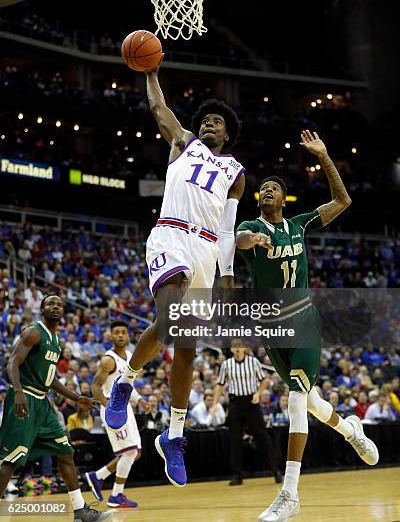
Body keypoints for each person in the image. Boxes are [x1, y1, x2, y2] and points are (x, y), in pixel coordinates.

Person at [105, 61, 245, 488]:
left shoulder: (235, 173)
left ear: (227, 135)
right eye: (205, 120)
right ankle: (126, 383)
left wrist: (227, 275)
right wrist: (151, 70)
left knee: (186, 347)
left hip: (206, 249)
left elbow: (227, 229)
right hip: (171, 235)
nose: (208, 125)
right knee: (168, 318)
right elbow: (157, 106)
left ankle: (175, 435)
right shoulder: (182, 143)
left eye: (216, 122)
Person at [236, 130, 379, 522]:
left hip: (303, 319)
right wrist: (253, 240)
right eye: (262, 189)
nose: (266, 192)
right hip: (271, 328)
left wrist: (326, 156)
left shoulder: (299, 224)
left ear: (283, 198)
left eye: (273, 189)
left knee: (297, 398)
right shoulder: (252, 225)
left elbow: (343, 201)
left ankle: (290, 493)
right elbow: (241, 240)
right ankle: (350, 430)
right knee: (313, 403)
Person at [0, 294, 111, 522]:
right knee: (12, 461)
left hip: (43, 404)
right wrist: (18, 391)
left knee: (66, 452)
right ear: (42, 309)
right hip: (25, 399)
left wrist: (75, 397)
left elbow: (50, 379)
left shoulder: (56, 341)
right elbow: (12, 362)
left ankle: (80, 512)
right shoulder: (33, 332)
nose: (55, 307)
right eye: (50, 303)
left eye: (59, 304)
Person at [87, 320, 147, 508]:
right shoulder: (108, 360)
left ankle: (99, 476)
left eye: (123, 332)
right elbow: (95, 387)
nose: (120, 335)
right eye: (117, 332)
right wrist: (108, 406)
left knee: (135, 452)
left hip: (125, 407)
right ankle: (115, 495)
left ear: (128, 336)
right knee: (130, 452)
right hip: (113, 408)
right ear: (110, 336)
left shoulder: (130, 356)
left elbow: (128, 384)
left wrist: (139, 400)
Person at [212, 344, 281, 486]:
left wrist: (258, 393)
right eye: (234, 346)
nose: (237, 349)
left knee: (263, 437)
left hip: (251, 402)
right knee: (235, 440)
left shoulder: (253, 361)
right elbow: (220, 384)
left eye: (239, 346)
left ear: (244, 348)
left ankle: (276, 471)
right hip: (235, 403)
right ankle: (237, 475)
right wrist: (214, 404)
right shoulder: (226, 364)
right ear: (231, 349)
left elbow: (264, 380)